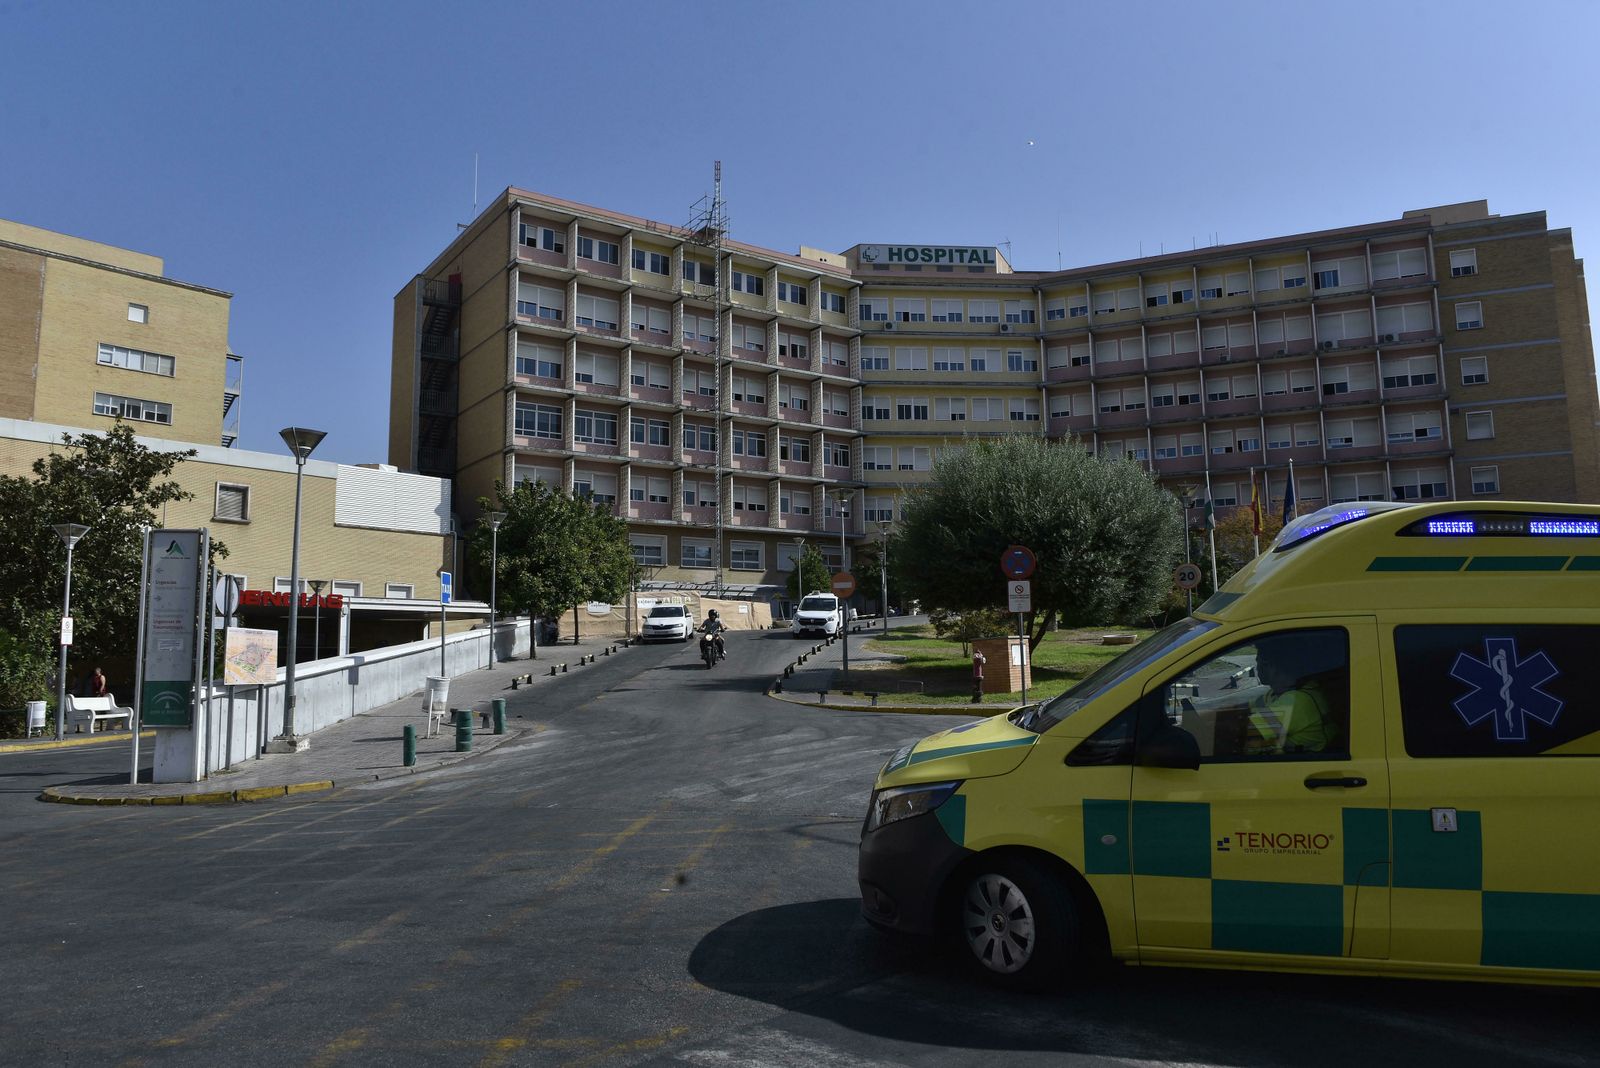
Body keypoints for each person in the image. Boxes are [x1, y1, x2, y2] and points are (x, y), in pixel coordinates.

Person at [1244, 638, 1336, 755]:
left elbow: (1246, 733)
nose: (1257, 667)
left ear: (1271, 666)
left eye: (1259, 662)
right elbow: (1243, 711)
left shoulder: (1296, 701)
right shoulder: (1276, 694)